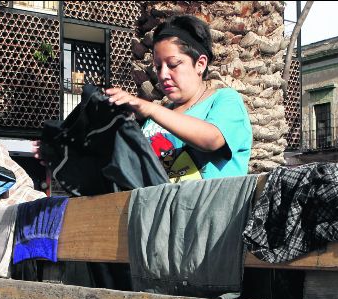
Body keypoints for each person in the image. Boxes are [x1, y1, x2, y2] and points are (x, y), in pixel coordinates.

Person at [33, 15, 253, 183]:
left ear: (200, 64)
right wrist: (62, 157)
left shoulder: (224, 100)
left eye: (174, 64)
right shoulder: (153, 119)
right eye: (158, 66)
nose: (163, 74)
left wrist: (149, 109)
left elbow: (212, 139)